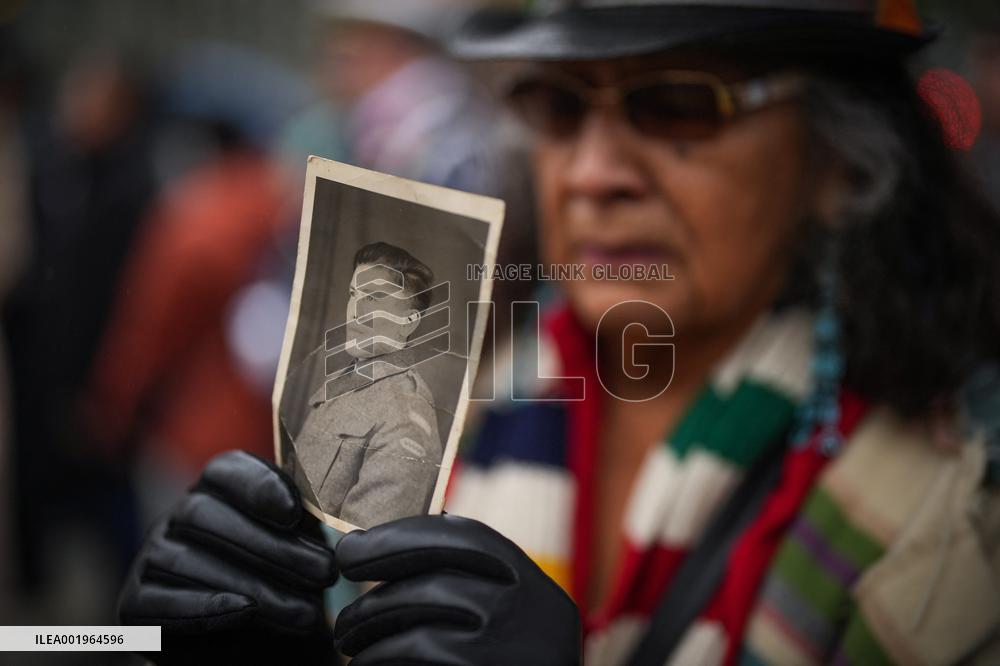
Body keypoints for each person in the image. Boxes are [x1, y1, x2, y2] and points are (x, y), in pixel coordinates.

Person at [118, 2, 1000, 665]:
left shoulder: (956, 511)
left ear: (836, 162)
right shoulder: (456, 399)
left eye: (679, 104)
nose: (592, 174)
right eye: (557, 107)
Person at [286, 241, 443, 530]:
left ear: (408, 321)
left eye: (373, 297)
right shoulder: (342, 380)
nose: (354, 311)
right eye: (353, 294)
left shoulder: (405, 416)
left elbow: (363, 545)